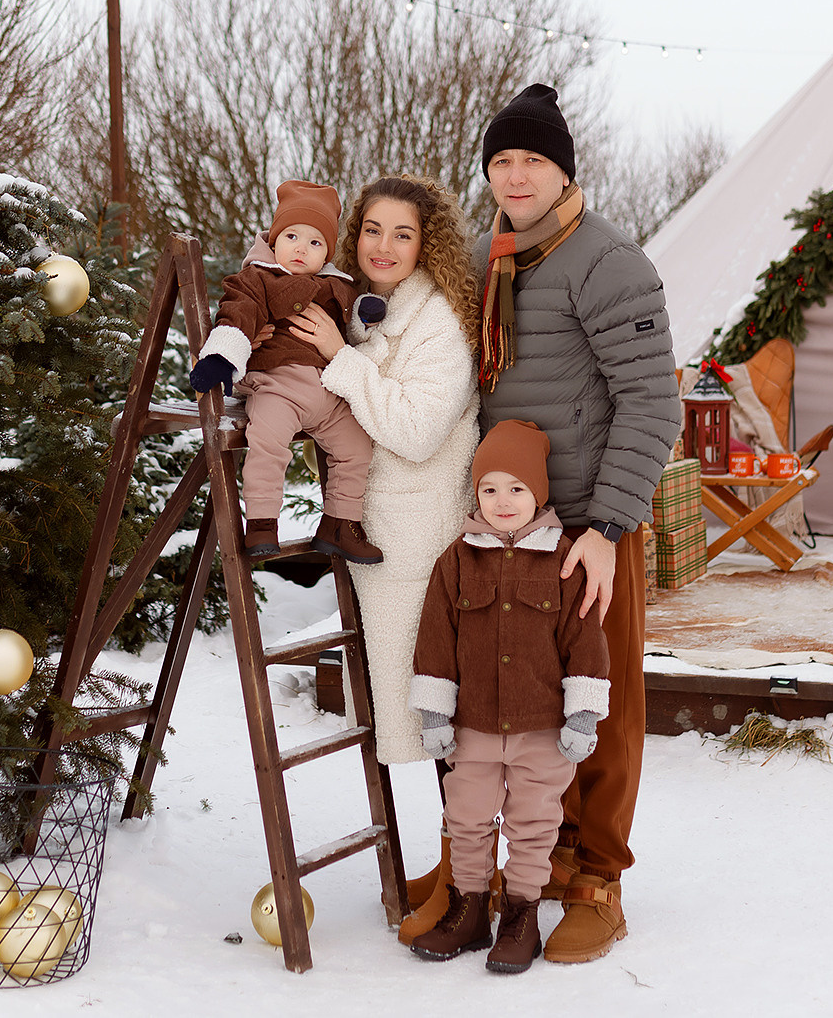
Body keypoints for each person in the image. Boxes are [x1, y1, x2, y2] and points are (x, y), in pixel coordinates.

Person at [471, 83, 679, 964]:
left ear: (564, 172)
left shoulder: (607, 260)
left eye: (533, 160)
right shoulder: (496, 260)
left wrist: (607, 524)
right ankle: (537, 863)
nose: (515, 175)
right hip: (511, 528)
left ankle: (598, 878)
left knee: (599, 705)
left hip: (589, 527)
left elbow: (653, 402)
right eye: (502, 161)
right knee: (520, 703)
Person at [286, 176, 480, 770]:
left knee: (441, 715)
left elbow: (418, 431)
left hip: (420, 539)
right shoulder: (356, 312)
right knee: (408, 715)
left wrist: (339, 360)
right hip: (373, 532)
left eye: (403, 234)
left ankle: (464, 861)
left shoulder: (437, 322)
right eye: (373, 230)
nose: (384, 247)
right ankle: (455, 859)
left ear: (427, 245)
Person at [403, 420, 610, 974]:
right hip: (473, 727)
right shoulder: (456, 561)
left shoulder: (564, 561)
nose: (502, 501)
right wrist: (434, 714)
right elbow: (435, 641)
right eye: (489, 489)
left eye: (516, 488)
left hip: (542, 729)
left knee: (534, 822)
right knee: (465, 816)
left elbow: (585, 641)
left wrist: (583, 717)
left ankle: (521, 913)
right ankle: (469, 909)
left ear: (538, 492)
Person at [188, 179, 382, 564]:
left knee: (357, 448)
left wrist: (366, 314)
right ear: (274, 240)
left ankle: (340, 524)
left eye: (315, 243)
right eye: (292, 235)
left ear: (326, 251)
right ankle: (262, 521)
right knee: (268, 443)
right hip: (277, 385)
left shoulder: (335, 285)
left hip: (328, 394)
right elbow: (237, 315)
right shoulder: (257, 279)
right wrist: (221, 357)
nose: (301, 248)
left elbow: (349, 327)